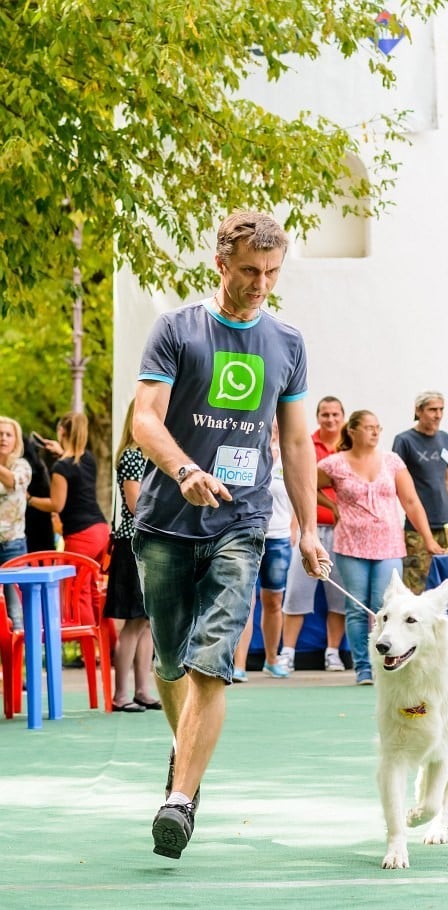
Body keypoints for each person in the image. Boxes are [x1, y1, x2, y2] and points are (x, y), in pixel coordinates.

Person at [131, 209, 328, 860]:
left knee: (211, 659)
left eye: (271, 272)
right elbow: (144, 418)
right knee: (168, 663)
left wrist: (306, 527)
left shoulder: (288, 342)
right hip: (166, 518)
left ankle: (180, 800)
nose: (260, 283)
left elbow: (297, 441)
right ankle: (185, 752)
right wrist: (183, 469)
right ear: (220, 264)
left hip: (241, 521)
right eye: (248, 270)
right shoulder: (176, 331)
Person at [317, 409, 443, 685]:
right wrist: (332, 506)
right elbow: (308, 486)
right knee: (356, 605)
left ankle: (382, 663)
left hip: (388, 544)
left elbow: (411, 502)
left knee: (383, 606)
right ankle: (363, 667)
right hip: (351, 543)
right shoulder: (335, 463)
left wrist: (428, 538)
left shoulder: (392, 461)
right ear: (352, 431)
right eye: (369, 427)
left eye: (378, 427)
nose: (375, 432)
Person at [279, 396, 347, 673]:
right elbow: (300, 486)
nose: (330, 419)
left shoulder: (349, 447)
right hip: (311, 529)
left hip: (344, 533)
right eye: (325, 414)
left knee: (339, 596)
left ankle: (333, 652)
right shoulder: (308, 443)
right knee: (296, 591)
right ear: (318, 417)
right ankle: (288, 652)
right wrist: (296, 527)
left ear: (343, 417)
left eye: (335, 414)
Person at [103, 400, 161, 712]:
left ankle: (142, 689)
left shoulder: (152, 455)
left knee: (147, 622)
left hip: (151, 542)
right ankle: (121, 693)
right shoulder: (132, 456)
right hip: (134, 543)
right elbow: (135, 503)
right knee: (133, 623)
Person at [27, 412, 110, 625]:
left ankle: (89, 649)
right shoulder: (88, 459)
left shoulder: (60, 468)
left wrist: (29, 498)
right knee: (93, 590)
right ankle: (107, 647)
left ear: (61, 431)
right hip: (100, 531)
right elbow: (74, 466)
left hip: (81, 536)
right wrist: (61, 451)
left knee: (76, 591)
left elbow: (56, 504)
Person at [233, 421, 293, 681]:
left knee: (274, 601)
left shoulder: (289, 456)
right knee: (246, 601)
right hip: (248, 535)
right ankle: (239, 665)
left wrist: (296, 526)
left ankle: (272, 659)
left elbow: (299, 493)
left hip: (279, 538)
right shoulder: (246, 452)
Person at [392, 391, 448, 593]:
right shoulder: (404, 441)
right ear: (418, 410)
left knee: (446, 583)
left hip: (445, 526)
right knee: (417, 584)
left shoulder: (445, 439)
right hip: (417, 529)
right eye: (432, 409)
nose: (438, 415)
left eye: (441, 409)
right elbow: (396, 482)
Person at [0, 416, 32, 628]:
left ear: (16, 440)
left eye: (8, 434)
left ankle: (20, 658)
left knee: (16, 609)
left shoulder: (22, 466)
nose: (3, 438)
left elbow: (13, 481)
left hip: (13, 545)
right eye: (0, 434)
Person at [22, 434, 55, 552]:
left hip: (31, 526)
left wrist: (29, 499)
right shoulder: (38, 464)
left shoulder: (23, 465)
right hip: (42, 527)